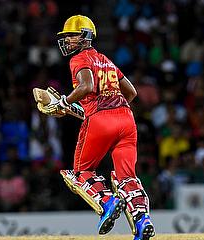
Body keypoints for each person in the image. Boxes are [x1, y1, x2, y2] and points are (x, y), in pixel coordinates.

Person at [51, 15, 155, 239]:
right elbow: (132, 92)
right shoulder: (105, 59)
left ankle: (108, 202)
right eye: (66, 36)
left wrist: (64, 102)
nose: (67, 40)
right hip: (127, 119)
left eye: (71, 35)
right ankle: (142, 221)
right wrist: (105, 105)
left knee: (80, 173)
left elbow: (87, 86)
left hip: (101, 120)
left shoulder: (78, 59)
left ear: (86, 36)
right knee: (127, 177)